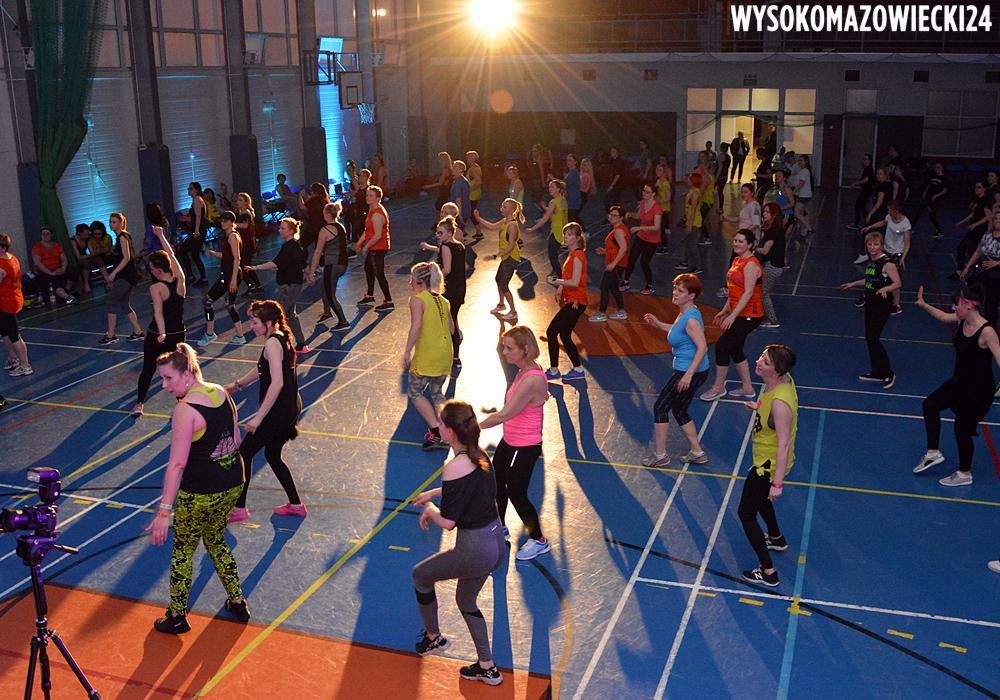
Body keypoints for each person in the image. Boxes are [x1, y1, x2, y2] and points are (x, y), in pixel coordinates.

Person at [146, 344, 249, 633]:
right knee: (215, 539)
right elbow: (236, 440)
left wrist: (164, 512)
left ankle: (177, 615)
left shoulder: (185, 410)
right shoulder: (221, 392)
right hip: (232, 483)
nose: (164, 386)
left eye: (169, 378)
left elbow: (177, 465)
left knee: (183, 550)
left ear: (187, 374)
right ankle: (238, 600)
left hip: (200, 493)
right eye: (162, 379)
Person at [410, 401, 505, 686]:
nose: (437, 426)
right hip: (496, 542)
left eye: (440, 423)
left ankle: (433, 637)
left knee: (420, 575)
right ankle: (488, 668)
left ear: (450, 431)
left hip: (474, 549)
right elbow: (468, 488)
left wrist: (430, 510)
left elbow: (448, 522)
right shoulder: (479, 454)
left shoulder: (454, 467)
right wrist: (434, 493)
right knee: (465, 600)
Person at [225, 300, 306, 520]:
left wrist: (258, 418)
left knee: (244, 453)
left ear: (268, 322)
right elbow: (263, 368)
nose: (251, 326)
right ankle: (296, 505)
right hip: (290, 405)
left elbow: (277, 383)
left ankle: (239, 509)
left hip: (279, 410)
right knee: (272, 454)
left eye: (254, 322)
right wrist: (237, 385)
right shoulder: (280, 337)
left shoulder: (272, 343)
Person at [914, 284, 1000, 487]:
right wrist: (924, 305)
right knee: (930, 405)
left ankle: (964, 473)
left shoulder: (987, 331)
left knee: (961, 429)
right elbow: (943, 316)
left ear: (968, 306)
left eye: (956, 305)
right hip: (959, 382)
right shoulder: (962, 320)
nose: (953, 308)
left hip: (979, 391)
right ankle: (933, 453)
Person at [480, 325, 551, 559]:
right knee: (497, 483)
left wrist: (474, 428)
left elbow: (505, 414)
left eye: (509, 348)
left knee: (517, 492)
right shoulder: (522, 370)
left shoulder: (532, 378)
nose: (504, 352)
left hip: (526, 445)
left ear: (525, 349)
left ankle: (539, 540)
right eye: (504, 347)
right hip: (510, 439)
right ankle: (499, 527)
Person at [737, 344, 798, 587]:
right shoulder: (781, 381)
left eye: (765, 362)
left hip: (767, 466)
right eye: (761, 356)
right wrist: (759, 407)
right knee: (760, 500)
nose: (758, 362)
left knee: (746, 513)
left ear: (777, 370)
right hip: (765, 458)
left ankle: (768, 571)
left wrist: (777, 484)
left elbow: (783, 444)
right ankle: (776, 538)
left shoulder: (780, 403)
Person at [641, 273, 711, 467]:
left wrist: (688, 376)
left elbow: (702, 347)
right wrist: (658, 324)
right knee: (679, 409)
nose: (675, 293)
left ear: (691, 296)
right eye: (675, 288)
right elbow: (678, 331)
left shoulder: (691, 319)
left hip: (688, 371)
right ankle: (697, 453)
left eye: (680, 291)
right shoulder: (686, 312)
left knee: (660, 407)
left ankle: (660, 456)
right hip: (694, 371)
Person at [700, 230, 764, 401]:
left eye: (740, 241)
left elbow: (748, 292)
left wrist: (733, 316)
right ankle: (748, 388)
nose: (736, 243)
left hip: (750, 315)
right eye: (735, 240)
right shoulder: (737, 260)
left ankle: (718, 388)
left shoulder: (751, 265)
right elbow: (734, 290)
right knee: (735, 348)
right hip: (738, 312)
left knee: (722, 346)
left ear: (750, 245)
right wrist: (725, 310)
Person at [133, 226, 186, 417]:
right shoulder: (180, 279)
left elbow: (158, 313)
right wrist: (161, 235)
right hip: (178, 333)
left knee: (148, 368)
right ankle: (184, 404)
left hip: (158, 334)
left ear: (156, 270)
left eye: (151, 269)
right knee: (178, 370)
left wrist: (162, 333)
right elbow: (171, 254)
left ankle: (139, 403)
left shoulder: (156, 288)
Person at [839, 232, 900, 390]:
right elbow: (870, 279)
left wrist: (886, 288)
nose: (872, 247)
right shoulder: (872, 262)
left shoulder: (887, 263)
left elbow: (897, 283)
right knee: (869, 338)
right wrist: (853, 284)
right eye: (870, 244)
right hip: (871, 303)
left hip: (882, 305)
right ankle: (877, 372)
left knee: (874, 338)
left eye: (876, 244)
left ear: (881, 245)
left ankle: (888, 373)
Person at [403, 262, 454, 450]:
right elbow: (452, 329)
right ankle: (447, 431)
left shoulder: (417, 300)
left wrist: (407, 351)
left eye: (411, 279)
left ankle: (436, 431)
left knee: (415, 392)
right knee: (436, 392)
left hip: (428, 353)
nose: (410, 282)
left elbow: (416, 327)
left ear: (418, 281)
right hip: (445, 353)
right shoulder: (444, 301)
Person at [247, 217, 310, 352]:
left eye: (283, 228)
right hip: (292, 285)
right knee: (291, 316)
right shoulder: (296, 245)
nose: (279, 230)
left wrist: (256, 268)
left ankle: (280, 344)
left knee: (278, 316)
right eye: (280, 228)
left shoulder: (290, 247)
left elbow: (275, 263)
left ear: (291, 231)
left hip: (289, 286)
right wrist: (309, 275)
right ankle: (301, 344)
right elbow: (303, 265)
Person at [420, 216, 466, 364]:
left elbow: (446, 270)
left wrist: (432, 277)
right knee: (453, 320)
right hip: (460, 287)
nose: (437, 235)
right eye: (437, 232)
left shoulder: (446, 247)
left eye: (440, 233)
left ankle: (448, 354)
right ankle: (455, 355)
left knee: (448, 322)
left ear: (449, 233)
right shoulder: (460, 245)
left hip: (450, 288)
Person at [545, 223, 588, 381]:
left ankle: (554, 370)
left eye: (569, 234)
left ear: (577, 238)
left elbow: (575, 282)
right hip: (574, 300)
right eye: (565, 234)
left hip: (576, 302)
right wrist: (561, 288)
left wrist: (556, 281)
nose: (566, 237)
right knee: (564, 334)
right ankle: (578, 369)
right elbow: (571, 278)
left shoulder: (577, 256)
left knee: (551, 332)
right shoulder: (572, 255)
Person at [197, 211, 246, 347]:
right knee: (229, 305)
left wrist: (233, 280)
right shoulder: (231, 235)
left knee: (207, 302)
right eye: (222, 220)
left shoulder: (233, 237)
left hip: (229, 276)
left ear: (231, 222)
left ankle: (210, 334)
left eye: (225, 221)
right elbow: (227, 255)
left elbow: (237, 258)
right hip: (228, 275)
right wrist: (214, 254)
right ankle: (240, 335)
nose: (222, 223)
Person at [475, 198, 523, 322]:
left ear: (511, 210)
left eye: (505, 207)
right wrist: (478, 218)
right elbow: (492, 226)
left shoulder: (512, 226)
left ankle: (513, 312)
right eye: (502, 205)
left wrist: (495, 256)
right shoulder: (505, 221)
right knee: (498, 279)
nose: (501, 208)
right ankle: (501, 305)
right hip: (506, 257)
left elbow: (511, 247)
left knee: (504, 285)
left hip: (511, 258)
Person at [100, 213, 144, 345]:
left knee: (111, 302)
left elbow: (127, 258)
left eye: (114, 222)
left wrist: (113, 273)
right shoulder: (122, 237)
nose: (111, 224)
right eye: (110, 222)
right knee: (124, 304)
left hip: (125, 276)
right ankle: (138, 332)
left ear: (121, 223)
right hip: (127, 275)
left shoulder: (123, 237)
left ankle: (111, 335)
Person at [862, 200, 910, 315]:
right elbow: (883, 222)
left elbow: (907, 242)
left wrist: (903, 257)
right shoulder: (889, 217)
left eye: (890, 210)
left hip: (897, 253)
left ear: (896, 211)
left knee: (894, 280)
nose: (888, 212)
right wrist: (870, 227)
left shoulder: (905, 224)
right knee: (875, 273)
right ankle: (869, 295)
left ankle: (896, 305)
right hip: (886, 250)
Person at [309, 201, 351, 331]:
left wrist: (311, 271)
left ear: (327, 214)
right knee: (323, 286)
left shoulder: (325, 230)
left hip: (332, 265)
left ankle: (343, 321)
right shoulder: (341, 227)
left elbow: (318, 252)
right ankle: (327, 313)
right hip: (342, 263)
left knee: (330, 294)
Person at [959, 210, 1000, 327]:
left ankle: (989, 328)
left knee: (991, 304)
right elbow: (978, 251)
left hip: (996, 274)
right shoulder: (988, 235)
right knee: (971, 295)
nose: (997, 221)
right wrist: (967, 267)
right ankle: (970, 322)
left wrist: (997, 263)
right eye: (996, 219)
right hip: (982, 270)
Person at [590, 206, 629, 322]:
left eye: (614, 215)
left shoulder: (618, 231)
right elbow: (617, 248)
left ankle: (601, 313)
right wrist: (605, 251)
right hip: (618, 264)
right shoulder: (620, 229)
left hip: (615, 265)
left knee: (604, 287)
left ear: (621, 218)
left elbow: (623, 249)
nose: (611, 217)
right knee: (614, 288)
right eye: (610, 215)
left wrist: (613, 264)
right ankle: (621, 311)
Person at [622, 182, 663, 295]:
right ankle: (625, 281)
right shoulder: (643, 203)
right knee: (631, 259)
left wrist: (639, 228)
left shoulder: (656, 208)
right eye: (644, 191)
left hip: (652, 240)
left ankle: (649, 285)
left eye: (647, 192)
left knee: (644, 262)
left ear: (653, 194)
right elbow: (640, 216)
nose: (644, 193)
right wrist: (631, 214)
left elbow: (656, 227)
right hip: (641, 237)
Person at [358, 185, 394, 312]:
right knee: (368, 268)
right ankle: (370, 295)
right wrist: (359, 242)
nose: (367, 197)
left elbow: (378, 235)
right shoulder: (372, 209)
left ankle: (389, 301)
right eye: (367, 195)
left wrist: (366, 247)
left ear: (378, 198)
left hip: (378, 247)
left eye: (371, 196)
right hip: (374, 246)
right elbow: (368, 230)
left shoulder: (377, 214)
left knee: (379, 273)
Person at [0, 233, 31, 377]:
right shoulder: (12, 258)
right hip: (9, 299)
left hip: (8, 302)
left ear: (2, 248)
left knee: (14, 335)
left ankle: (25, 366)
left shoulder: (2, 266)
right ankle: (14, 358)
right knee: (4, 331)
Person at [526, 179, 568, 278]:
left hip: (556, 232)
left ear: (558, 189)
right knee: (555, 253)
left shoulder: (553, 202)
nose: (550, 189)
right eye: (549, 187)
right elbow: (556, 212)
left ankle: (559, 276)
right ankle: (554, 271)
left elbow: (545, 219)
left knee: (552, 255)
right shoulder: (563, 200)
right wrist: (545, 208)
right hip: (564, 231)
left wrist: (532, 229)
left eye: (552, 187)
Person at [952, 181, 992, 278]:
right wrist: (962, 222)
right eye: (976, 187)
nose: (976, 189)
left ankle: (967, 271)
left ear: (984, 189)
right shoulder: (977, 199)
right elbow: (974, 214)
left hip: (980, 230)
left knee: (965, 248)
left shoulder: (985, 201)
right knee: (970, 250)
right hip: (974, 229)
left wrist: (975, 224)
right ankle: (975, 271)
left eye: (979, 187)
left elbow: (988, 216)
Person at [757, 203, 787, 329]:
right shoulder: (775, 230)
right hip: (774, 265)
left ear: (774, 215)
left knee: (764, 293)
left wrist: (751, 248)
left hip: (772, 266)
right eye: (764, 211)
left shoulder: (773, 232)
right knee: (761, 291)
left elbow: (765, 251)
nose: (764, 214)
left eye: (767, 212)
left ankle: (773, 320)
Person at [31, 226, 75, 305]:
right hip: (44, 271)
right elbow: (38, 263)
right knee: (54, 280)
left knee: (73, 271)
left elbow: (63, 258)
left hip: (57, 268)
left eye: (48, 234)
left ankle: (67, 291)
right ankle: (68, 298)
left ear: (51, 235)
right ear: (41, 236)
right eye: (43, 234)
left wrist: (62, 269)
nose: (46, 236)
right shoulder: (37, 247)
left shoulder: (57, 245)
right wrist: (51, 273)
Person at [235, 193, 263, 295]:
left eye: (241, 200)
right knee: (245, 266)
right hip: (244, 242)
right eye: (238, 200)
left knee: (243, 267)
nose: (238, 202)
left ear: (246, 202)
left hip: (247, 243)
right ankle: (256, 287)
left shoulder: (246, 213)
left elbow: (245, 225)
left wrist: (232, 224)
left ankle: (253, 287)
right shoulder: (240, 212)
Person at [676, 173, 704, 274]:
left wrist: (689, 225)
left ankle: (698, 266)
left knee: (692, 244)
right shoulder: (692, 191)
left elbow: (693, 211)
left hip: (694, 222)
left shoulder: (695, 194)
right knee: (688, 243)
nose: (687, 180)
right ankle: (685, 262)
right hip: (690, 221)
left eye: (689, 179)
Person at [181, 182, 209, 284]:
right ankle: (200, 277)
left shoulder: (197, 199)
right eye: (189, 188)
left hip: (198, 231)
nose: (189, 190)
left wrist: (196, 231)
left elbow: (198, 217)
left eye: (191, 188)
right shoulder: (197, 200)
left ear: (197, 190)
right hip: (198, 230)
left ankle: (192, 275)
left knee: (185, 251)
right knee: (194, 254)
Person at [912, 162, 947, 238]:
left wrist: (936, 196)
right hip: (927, 197)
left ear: (942, 168)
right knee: (918, 212)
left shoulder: (944, 178)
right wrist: (925, 192)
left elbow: (944, 190)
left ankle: (940, 231)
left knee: (932, 216)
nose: (937, 169)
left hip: (936, 199)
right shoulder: (932, 176)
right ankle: (911, 228)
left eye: (938, 167)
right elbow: (928, 185)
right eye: (936, 167)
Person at [70, 223, 96, 294]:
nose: (87, 236)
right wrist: (89, 255)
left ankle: (107, 279)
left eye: (88, 234)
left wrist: (92, 253)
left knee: (98, 260)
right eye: (85, 235)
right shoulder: (73, 240)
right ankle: (86, 284)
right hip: (76, 260)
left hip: (85, 257)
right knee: (85, 262)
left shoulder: (87, 239)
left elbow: (91, 252)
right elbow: (78, 256)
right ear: (79, 233)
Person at [792, 155, 813, 237]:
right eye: (799, 160)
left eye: (801, 160)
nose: (799, 162)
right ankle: (803, 231)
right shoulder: (804, 171)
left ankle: (809, 228)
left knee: (796, 213)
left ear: (805, 162)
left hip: (803, 195)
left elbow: (801, 183)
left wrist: (794, 191)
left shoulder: (804, 171)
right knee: (802, 213)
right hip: (805, 195)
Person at [654, 161, 673, 255]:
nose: (657, 171)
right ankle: (659, 242)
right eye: (657, 169)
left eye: (660, 170)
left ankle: (665, 247)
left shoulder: (665, 183)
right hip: (659, 208)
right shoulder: (658, 181)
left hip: (664, 209)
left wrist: (660, 201)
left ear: (664, 172)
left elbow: (668, 197)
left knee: (661, 228)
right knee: (658, 228)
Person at [466, 150, 483, 236]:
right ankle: (462, 230)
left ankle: (479, 231)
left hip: (472, 194)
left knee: (471, 213)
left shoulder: (472, 169)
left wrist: (470, 190)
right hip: (475, 193)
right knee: (469, 211)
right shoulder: (477, 167)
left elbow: (479, 181)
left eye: (468, 157)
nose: (466, 159)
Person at [449, 160, 472, 225]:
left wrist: (459, 215)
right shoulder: (460, 180)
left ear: (461, 170)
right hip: (463, 209)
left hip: (459, 211)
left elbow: (458, 200)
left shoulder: (459, 182)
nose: (452, 169)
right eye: (453, 167)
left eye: (455, 167)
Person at [564, 153, 582, 223]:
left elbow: (564, 184)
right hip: (570, 200)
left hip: (574, 201)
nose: (568, 162)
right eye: (567, 160)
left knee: (572, 219)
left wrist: (552, 178)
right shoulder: (570, 172)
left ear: (575, 162)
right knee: (573, 219)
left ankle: (583, 229)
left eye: (570, 160)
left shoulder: (574, 173)